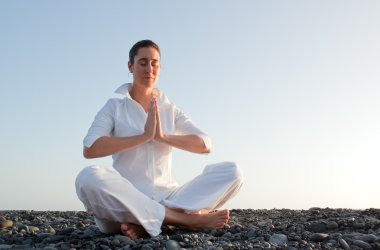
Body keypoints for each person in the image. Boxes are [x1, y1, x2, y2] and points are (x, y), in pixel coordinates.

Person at [75, 40, 243, 240]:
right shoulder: (115, 107)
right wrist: (143, 137)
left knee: (233, 172)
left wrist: (162, 137)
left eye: (155, 63)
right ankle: (187, 220)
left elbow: (205, 144)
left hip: (170, 197)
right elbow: (90, 148)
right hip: (125, 200)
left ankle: (147, 222)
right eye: (143, 62)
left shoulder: (169, 109)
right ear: (130, 66)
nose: (149, 69)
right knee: (87, 178)